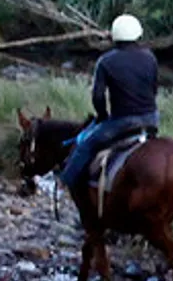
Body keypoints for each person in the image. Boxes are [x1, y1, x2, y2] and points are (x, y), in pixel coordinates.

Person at [60, 13, 160, 194]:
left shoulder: (106, 61)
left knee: (85, 146)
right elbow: (154, 90)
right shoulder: (150, 57)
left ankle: (65, 184)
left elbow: (98, 97)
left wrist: (103, 116)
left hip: (122, 122)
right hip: (151, 119)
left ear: (115, 36)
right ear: (138, 34)